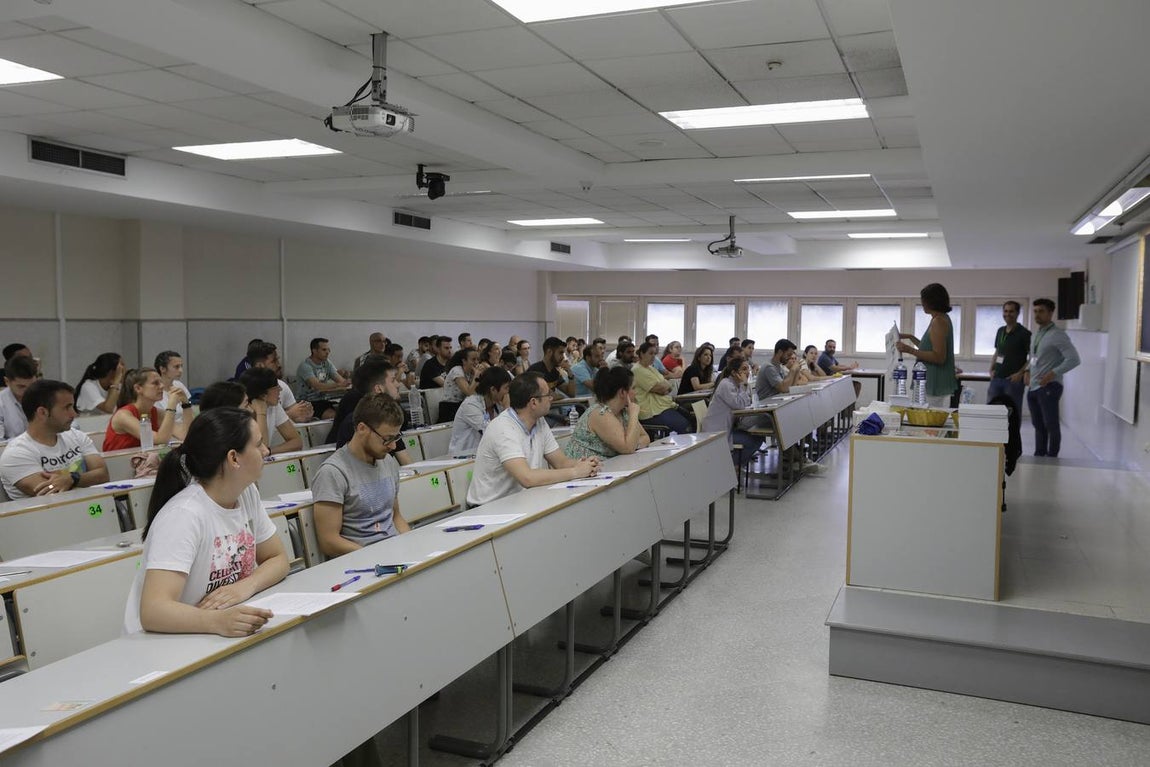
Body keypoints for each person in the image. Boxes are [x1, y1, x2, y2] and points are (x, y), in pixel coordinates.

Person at [124, 406, 289, 636]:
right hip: (162, 641)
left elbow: (278, 559)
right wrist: (217, 622)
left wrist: (244, 587)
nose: (266, 450)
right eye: (258, 444)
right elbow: (154, 611)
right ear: (234, 458)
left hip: (209, 632)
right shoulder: (183, 515)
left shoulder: (246, 493)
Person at [466, 372, 599, 507]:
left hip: (520, 500)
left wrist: (585, 465)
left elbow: (561, 462)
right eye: (548, 395)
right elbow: (527, 478)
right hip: (489, 508)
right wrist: (576, 472)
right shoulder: (502, 428)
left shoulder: (539, 421)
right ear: (533, 402)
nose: (551, 398)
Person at [311, 394, 410, 559]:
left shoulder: (387, 462)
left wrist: (411, 545)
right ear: (362, 428)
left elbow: (396, 517)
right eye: (387, 439)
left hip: (393, 554)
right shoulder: (333, 472)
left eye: (396, 438)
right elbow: (329, 541)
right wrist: (373, 556)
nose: (393, 446)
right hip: (360, 561)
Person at [0, 379, 109, 499]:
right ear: (42, 412)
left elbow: (103, 475)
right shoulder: (16, 453)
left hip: (90, 507)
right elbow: (51, 492)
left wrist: (73, 479)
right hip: (50, 511)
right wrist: (85, 479)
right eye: (67, 408)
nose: (74, 414)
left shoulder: (76, 436)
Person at [1026, 298, 1081, 458]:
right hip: (1034, 386)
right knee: (1038, 424)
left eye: (1041, 311)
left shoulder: (1058, 335)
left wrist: (1053, 373)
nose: (1037, 315)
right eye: (1035, 311)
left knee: (1051, 424)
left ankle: (1052, 458)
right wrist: (1027, 371)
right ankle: (1039, 454)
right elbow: (1034, 358)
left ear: (1050, 313)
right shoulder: (1036, 334)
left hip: (1049, 387)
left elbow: (1074, 359)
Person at [564, 366, 650, 460]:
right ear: (622, 392)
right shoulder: (600, 414)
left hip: (611, 464)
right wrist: (633, 416)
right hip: (585, 466)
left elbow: (645, 437)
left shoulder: (624, 411)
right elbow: (628, 448)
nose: (636, 393)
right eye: (633, 388)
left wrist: (634, 444)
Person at [896, 283, 957, 407]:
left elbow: (939, 357)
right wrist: (910, 337)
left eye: (924, 300)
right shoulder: (940, 318)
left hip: (934, 383)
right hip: (931, 382)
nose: (922, 303)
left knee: (928, 415)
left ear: (932, 301)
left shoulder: (938, 321)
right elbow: (928, 349)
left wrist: (909, 350)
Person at [103, 368, 190, 451]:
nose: (162, 386)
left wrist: (186, 404)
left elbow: (185, 435)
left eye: (161, 382)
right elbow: (160, 440)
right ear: (138, 388)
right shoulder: (123, 416)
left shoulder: (157, 413)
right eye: (155, 383)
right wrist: (171, 406)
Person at [701, 357, 765, 468]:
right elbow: (740, 405)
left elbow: (747, 402)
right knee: (752, 441)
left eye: (748, 369)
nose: (747, 372)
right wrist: (745, 385)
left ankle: (734, 466)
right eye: (744, 369)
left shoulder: (737, 384)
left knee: (758, 437)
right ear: (734, 372)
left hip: (728, 428)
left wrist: (744, 386)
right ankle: (732, 466)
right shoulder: (726, 384)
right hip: (717, 432)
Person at [448, 367, 512, 456]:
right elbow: (492, 432)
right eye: (506, 388)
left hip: (484, 454)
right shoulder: (470, 405)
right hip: (462, 457)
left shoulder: (498, 404)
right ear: (493, 390)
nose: (508, 392)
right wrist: (507, 409)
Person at [633, 341, 692, 433]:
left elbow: (668, 386)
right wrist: (664, 387)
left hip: (662, 406)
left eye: (655, 354)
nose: (653, 356)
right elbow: (661, 389)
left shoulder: (651, 368)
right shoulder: (637, 370)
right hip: (650, 412)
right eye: (650, 353)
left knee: (690, 416)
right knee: (685, 426)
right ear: (641, 354)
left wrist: (664, 387)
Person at [239, 367, 302, 454]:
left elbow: (297, 442)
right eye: (276, 387)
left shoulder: (274, 406)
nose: (280, 389)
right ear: (263, 394)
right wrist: (261, 413)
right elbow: (260, 447)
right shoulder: (242, 411)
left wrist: (270, 451)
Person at [249, 341, 313, 423]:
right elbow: (255, 424)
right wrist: (289, 414)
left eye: (277, 360)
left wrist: (305, 413)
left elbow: (295, 415)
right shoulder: (248, 391)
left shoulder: (282, 385)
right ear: (260, 366)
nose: (279, 365)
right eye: (274, 361)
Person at [988, 301, 1032, 412]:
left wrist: (1021, 373)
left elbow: (1032, 357)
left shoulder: (1024, 333)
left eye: (1011, 311)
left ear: (1017, 313)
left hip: (1013, 381)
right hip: (997, 379)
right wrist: (991, 368)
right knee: (992, 411)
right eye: (1005, 311)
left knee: (1012, 413)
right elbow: (998, 351)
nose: (1008, 314)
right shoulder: (1000, 331)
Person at [296, 337, 349, 420]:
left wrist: (347, 382)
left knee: (347, 410)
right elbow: (317, 386)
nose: (327, 352)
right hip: (308, 403)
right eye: (324, 350)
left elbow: (341, 381)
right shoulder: (305, 366)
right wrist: (339, 385)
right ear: (314, 351)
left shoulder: (327, 363)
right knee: (333, 416)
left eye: (328, 350)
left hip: (323, 400)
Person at [0, 355, 37, 440]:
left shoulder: (45, 397)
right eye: (21, 386)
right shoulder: (1, 403)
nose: (28, 391)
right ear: (7, 381)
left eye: (32, 385)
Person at [155, 350, 194, 426]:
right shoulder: (154, 391)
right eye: (176, 367)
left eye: (181, 366)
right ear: (162, 369)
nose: (181, 370)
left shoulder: (179, 385)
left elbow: (190, 410)